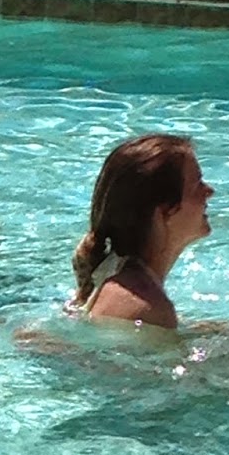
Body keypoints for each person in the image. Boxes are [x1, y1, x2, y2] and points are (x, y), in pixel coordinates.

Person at [65, 134, 213, 328]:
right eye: (197, 185)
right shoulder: (147, 309)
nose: (209, 191)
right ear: (164, 211)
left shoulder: (118, 276)